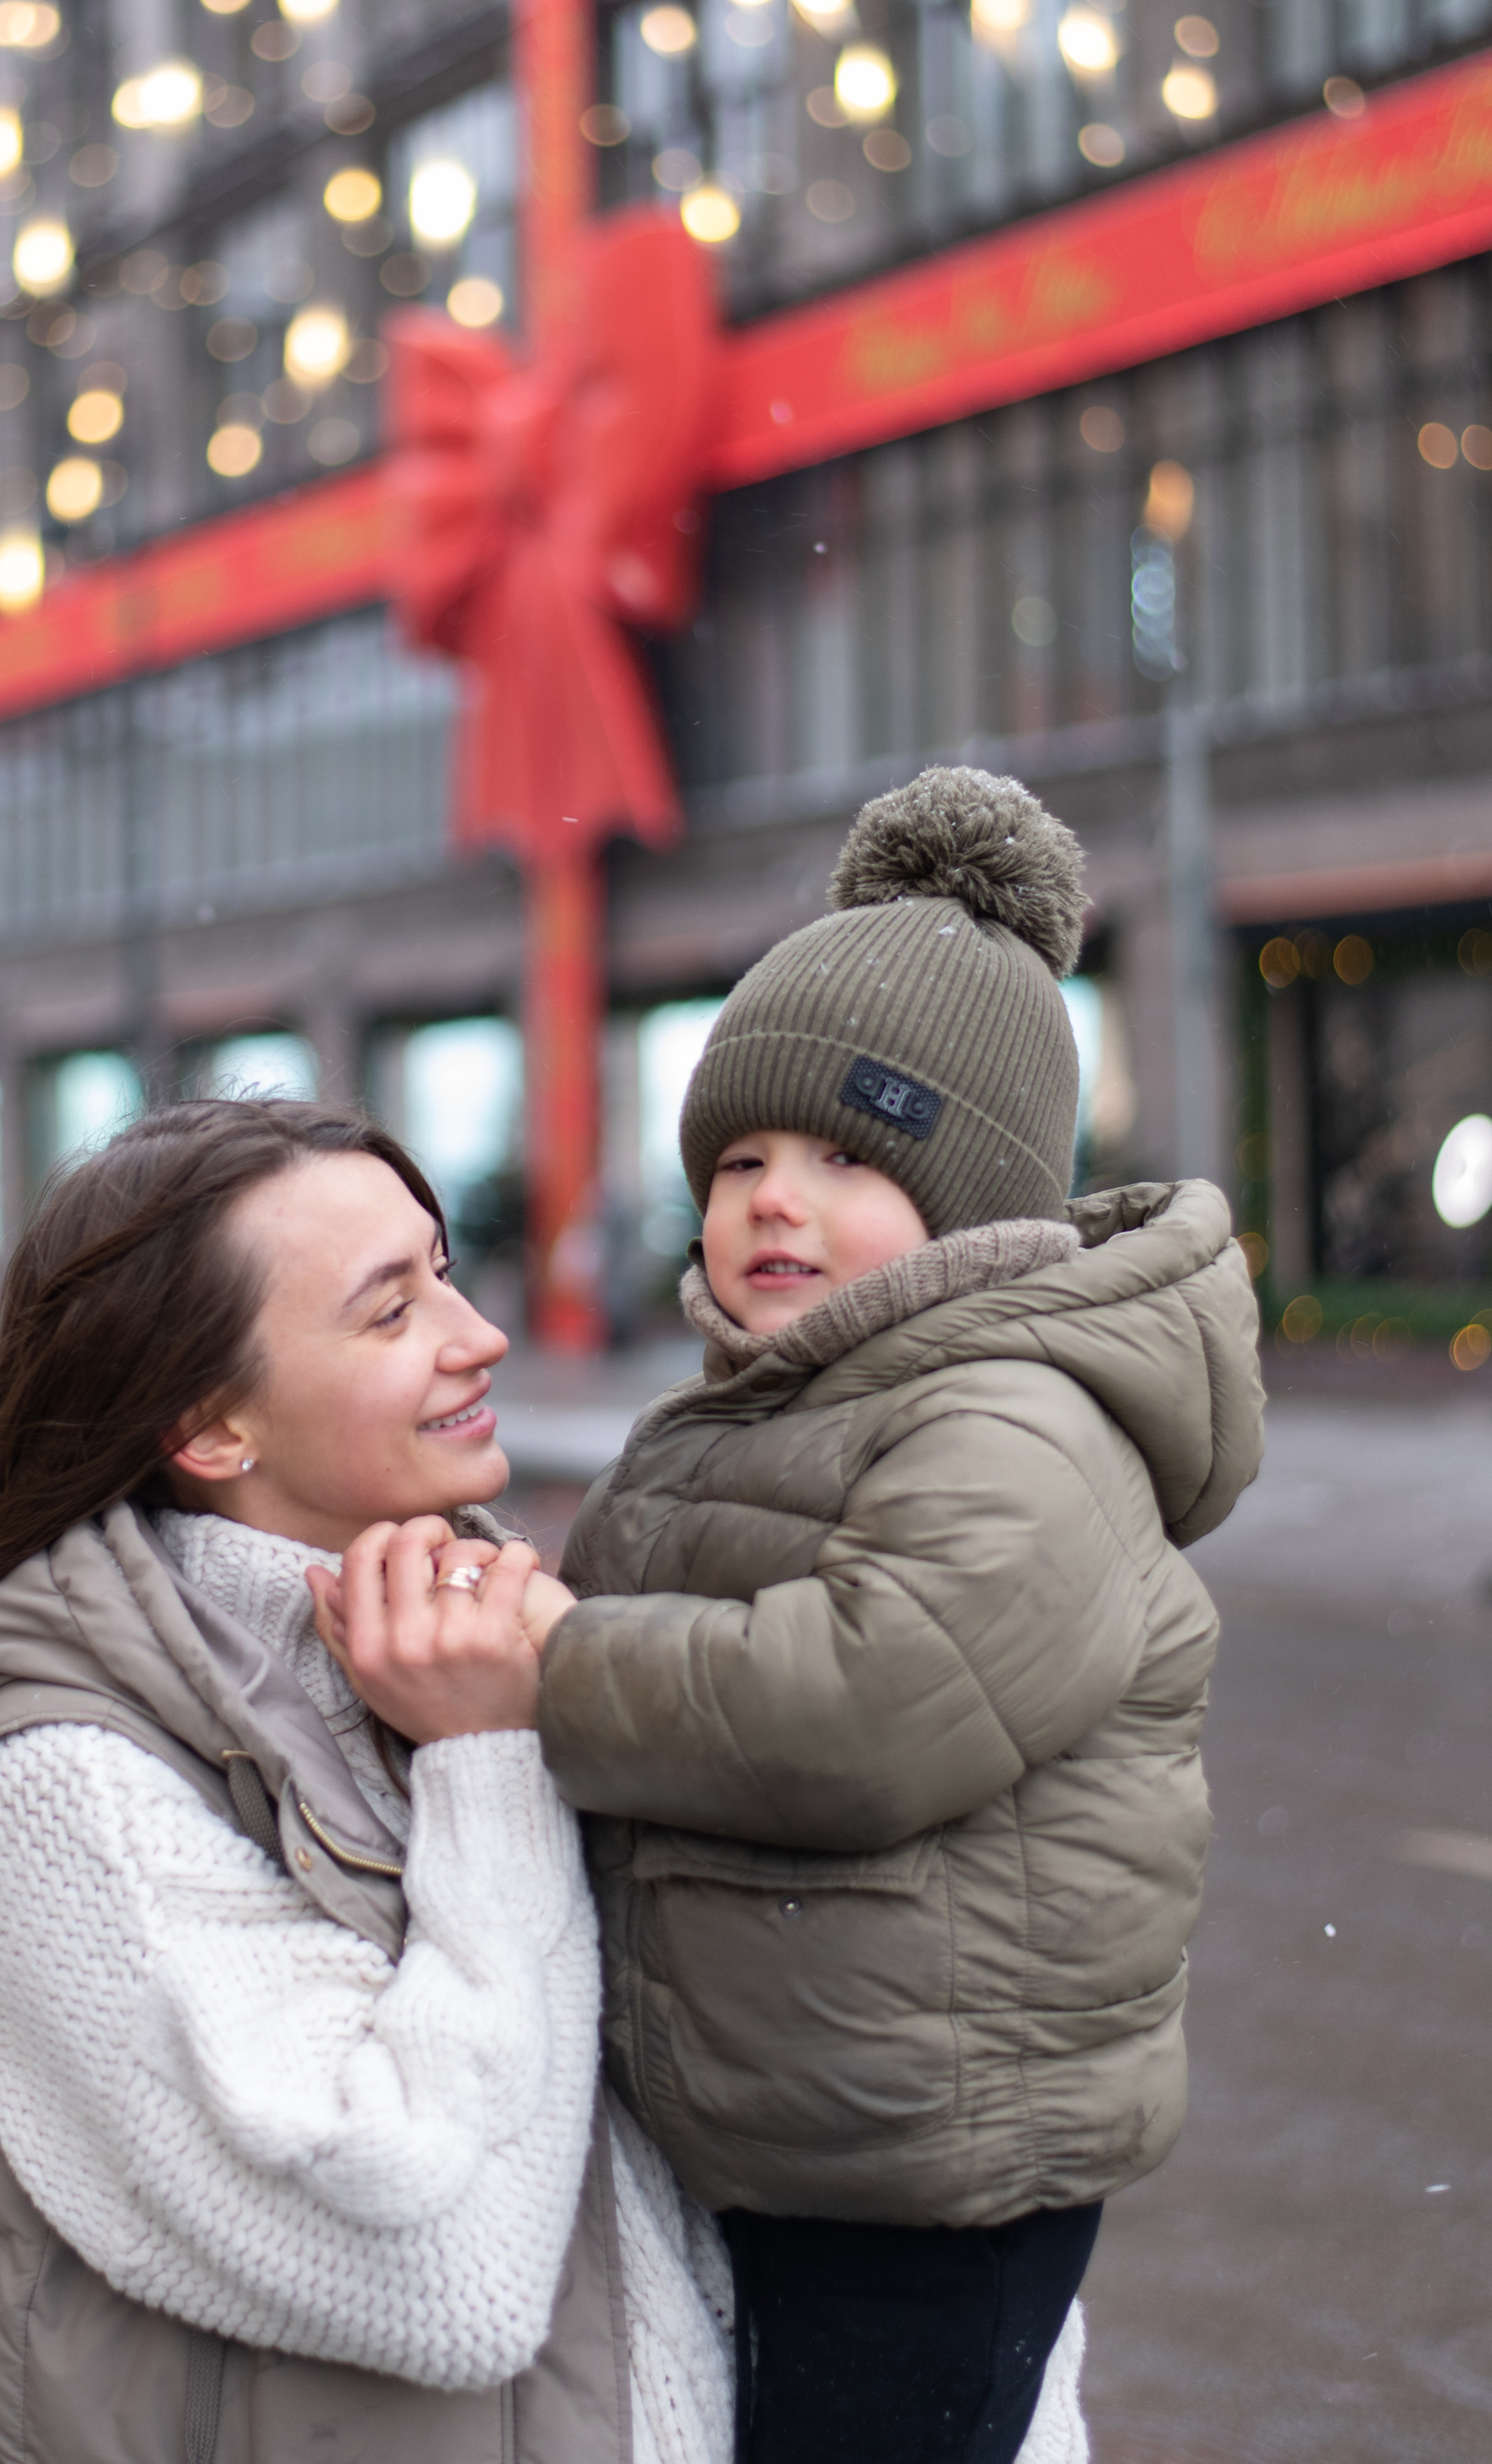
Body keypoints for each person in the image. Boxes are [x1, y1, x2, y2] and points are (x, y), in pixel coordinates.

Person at [319, 768, 1263, 2464]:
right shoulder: (755, 1410)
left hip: (928, 2159)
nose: (770, 1196)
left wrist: (546, 1670)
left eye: (843, 1154)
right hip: (794, 2118)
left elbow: (869, 1703)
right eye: (739, 1153)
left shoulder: (1021, 1418)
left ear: (974, 1199)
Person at [0, 1100, 734, 2464]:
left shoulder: (470, 1638)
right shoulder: (69, 1796)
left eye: (445, 1268)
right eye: (388, 1312)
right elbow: (448, 2274)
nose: (478, 1334)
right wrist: (489, 1763)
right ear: (209, 1426)